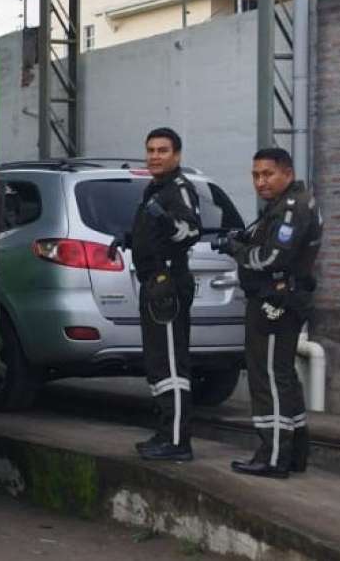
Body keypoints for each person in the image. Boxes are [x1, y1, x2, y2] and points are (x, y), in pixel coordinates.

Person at [213, 147, 322, 478]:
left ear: (286, 173)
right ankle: (295, 453)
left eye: (268, 174)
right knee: (284, 376)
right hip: (283, 299)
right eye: (256, 175)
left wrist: (237, 248)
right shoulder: (289, 204)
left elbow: (272, 258)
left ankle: (272, 457)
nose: (260, 181)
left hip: (275, 302)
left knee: (269, 378)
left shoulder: (290, 209)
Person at [111, 127, 202, 461]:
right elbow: (153, 233)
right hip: (153, 283)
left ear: (177, 155)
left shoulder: (179, 189)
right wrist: (130, 239)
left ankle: (178, 442)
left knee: (172, 364)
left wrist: (164, 220)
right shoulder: (155, 188)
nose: (154, 156)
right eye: (150, 150)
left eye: (162, 151)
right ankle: (166, 433)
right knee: (158, 363)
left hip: (168, 283)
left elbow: (190, 231)